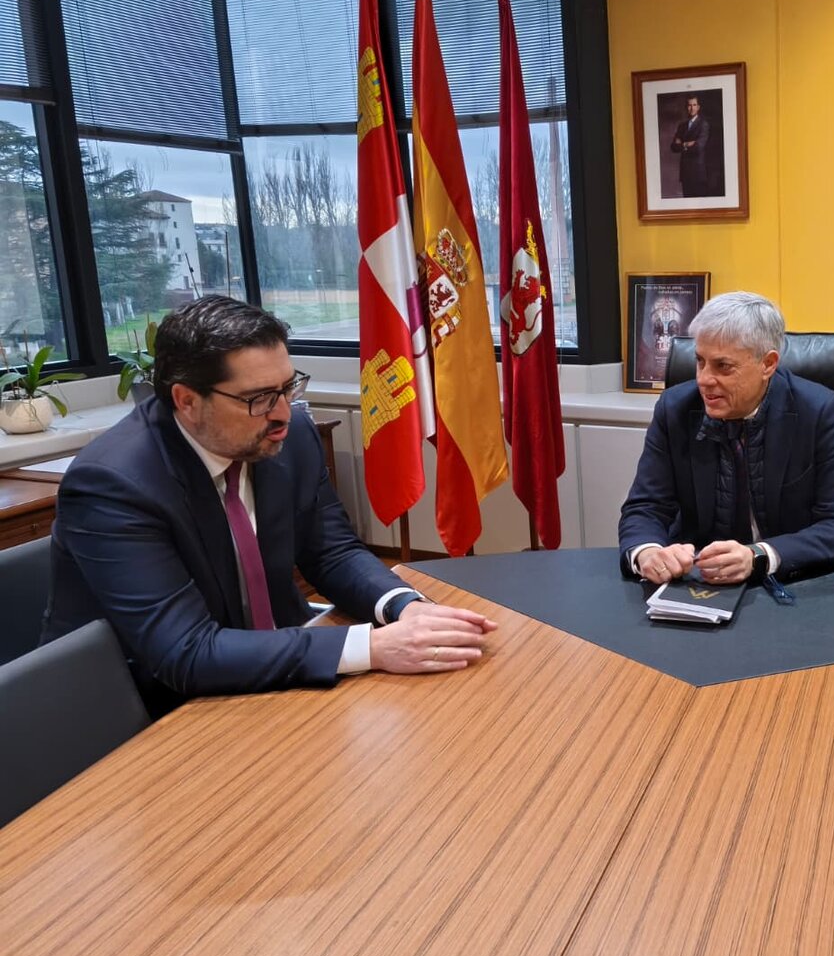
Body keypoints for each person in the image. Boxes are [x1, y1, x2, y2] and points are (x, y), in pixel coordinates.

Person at [43, 296, 497, 716]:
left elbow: (332, 551)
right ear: (186, 401)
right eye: (258, 398)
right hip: (145, 712)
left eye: (288, 386)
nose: (282, 412)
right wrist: (373, 648)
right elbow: (184, 653)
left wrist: (403, 608)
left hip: (271, 675)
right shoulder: (114, 485)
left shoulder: (290, 434)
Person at [618, 291, 834, 587]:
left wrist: (759, 556)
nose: (703, 379)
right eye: (699, 361)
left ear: (768, 364)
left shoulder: (820, 412)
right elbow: (645, 507)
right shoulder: (675, 409)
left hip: (790, 586)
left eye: (723, 366)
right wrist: (647, 552)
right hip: (697, 586)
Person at [669, 95, 709, 197]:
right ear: (686, 107)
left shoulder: (703, 124)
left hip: (698, 173)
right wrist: (687, 144)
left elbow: (698, 147)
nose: (692, 108)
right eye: (689, 105)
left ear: (698, 107)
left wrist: (682, 144)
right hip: (685, 172)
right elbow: (673, 147)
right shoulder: (682, 126)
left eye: (694, 105)